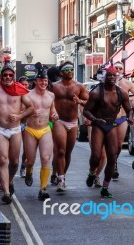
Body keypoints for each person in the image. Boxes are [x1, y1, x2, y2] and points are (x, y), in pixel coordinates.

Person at [0, 66, 34, 204]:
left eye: (10, 75)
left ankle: (8, 182)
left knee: (14, 162)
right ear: (1, 77)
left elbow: (31, 108)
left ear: (13, 76)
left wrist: (19, 116)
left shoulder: (20, 91)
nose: (8, 78)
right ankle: (6, 193)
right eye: (5, 75)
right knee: (3, 161)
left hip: (15, 130)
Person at [83, 65, 132, 197]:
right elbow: (86, 110)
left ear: (117, 77)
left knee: (112, 157)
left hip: (112, 125)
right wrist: (95, 119)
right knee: (96, 156)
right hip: (99, 125)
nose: (111, 77)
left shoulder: (122, 93)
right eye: (108, 75)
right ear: (104, 77)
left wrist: (130, 118)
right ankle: (92, 173)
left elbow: (129, 109)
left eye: (113, 75)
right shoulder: (96, 92)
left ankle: (105, 187)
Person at [52, 61, 89, 192]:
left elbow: (89, 103)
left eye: (72, 69)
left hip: (73, 122)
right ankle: (61, 179)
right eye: (67, 70)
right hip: (59, 121)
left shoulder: (79, 86)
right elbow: (44, 99)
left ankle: (62, 175)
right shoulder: (54, 86)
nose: (70, 72)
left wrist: (80, 101)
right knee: (61, 150)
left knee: (68, 152)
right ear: (61, 72)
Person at [23, 63, 59, 200]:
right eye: (41, 80)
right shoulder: (28, 96)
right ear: (35, 82)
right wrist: (30, 113)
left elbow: (53, 111)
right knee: (30, 160)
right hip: (31, 130)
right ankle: (29, 171)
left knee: (45, 158)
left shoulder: (51, 96)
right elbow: (21, 114)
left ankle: (43, 189)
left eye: (45, 81)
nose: (43, 83)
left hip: (45, 129)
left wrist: (55, 116)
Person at [111, 61, 134, 179]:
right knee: (110, 144)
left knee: (118, 145)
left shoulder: (127, 83)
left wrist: (126, 99)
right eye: (116, 68)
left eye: (120, 69)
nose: (118, 70)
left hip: (122, 118)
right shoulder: (108, 83)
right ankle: (110, 164)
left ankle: (114, 163)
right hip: (109, 118)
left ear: (123, 71)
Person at [18, 75, 30, 178]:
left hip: (26, 124)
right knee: (14, 149)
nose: (25, 86)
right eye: (23, 84)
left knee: (27, 148)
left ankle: (23, 166)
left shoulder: (30, 95)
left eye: (26, 84)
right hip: (16, 124)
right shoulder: (15, 95)